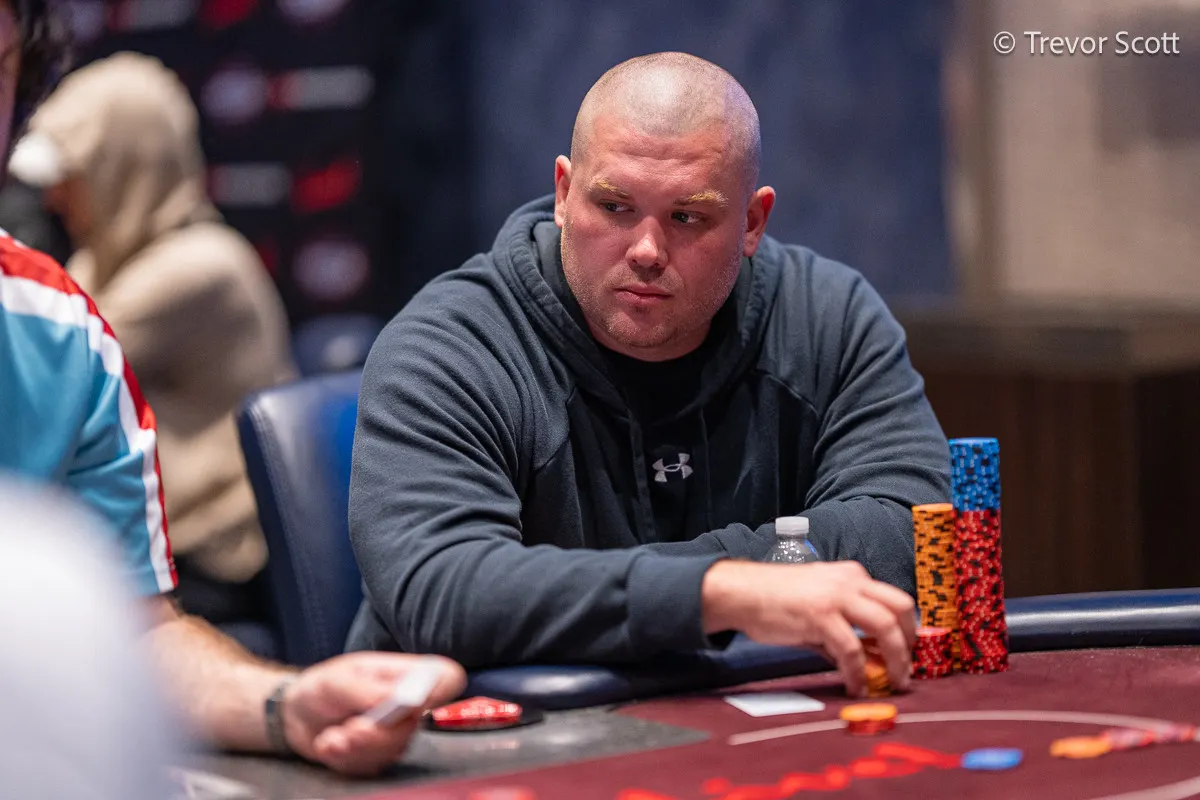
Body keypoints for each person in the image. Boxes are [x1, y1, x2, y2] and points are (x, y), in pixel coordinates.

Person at [348, 52, 950, 697]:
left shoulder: (828, 318)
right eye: (614, 206)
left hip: (761, 714)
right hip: (503, 736)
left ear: (752, 223)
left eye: (687, 217)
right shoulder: (449, 346)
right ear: (564, 194)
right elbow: (441, 592)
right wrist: (723, 592)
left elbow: (917, 535)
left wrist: (648, 588)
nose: (646, 251)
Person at [0, 0, 464, 778]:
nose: (57, 197)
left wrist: (283, 705)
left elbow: (139, 634)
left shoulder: (73, 324)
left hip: (221, 556)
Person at [9, 51, 296, 635]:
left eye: (73, 174)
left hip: (211, 564)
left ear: (125, 170)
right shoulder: (104, 262)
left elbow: (49, 360)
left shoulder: (199, 268)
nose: (54, 197)